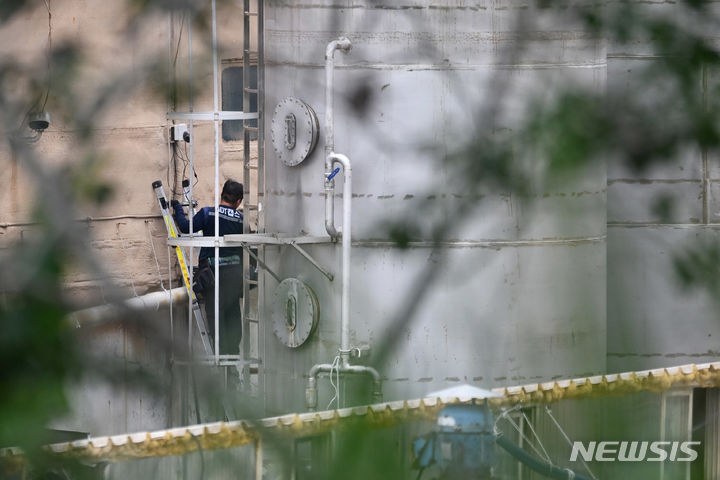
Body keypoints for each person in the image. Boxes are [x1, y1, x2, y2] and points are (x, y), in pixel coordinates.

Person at [172, 179, 244, 354]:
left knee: (216, 320)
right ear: (239, 201)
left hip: (212, 277)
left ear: (222, 195)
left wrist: (177, 209)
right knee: (233, 318)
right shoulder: (242, 219)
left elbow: (184, 227)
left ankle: (221, 362)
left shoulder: (207, 213)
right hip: (235, 277)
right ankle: (233, 365)